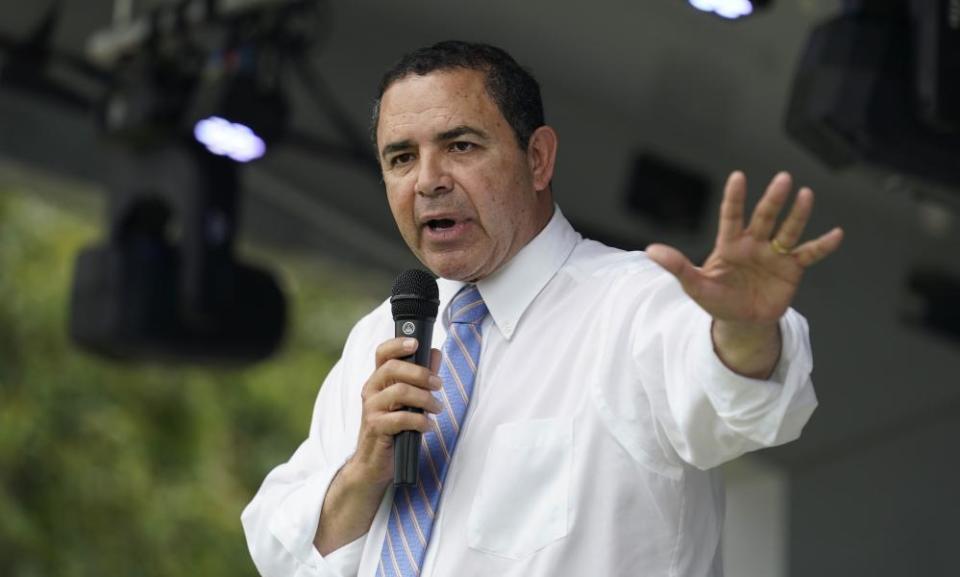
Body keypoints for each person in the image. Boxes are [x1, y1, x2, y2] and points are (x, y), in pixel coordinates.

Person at [241, 40, 844, 577]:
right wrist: (363, 473)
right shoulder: (384, 332)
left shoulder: (632, 303)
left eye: (460, 145)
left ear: (538, 159)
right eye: (400, 158)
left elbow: (740, 406)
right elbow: (282, 551)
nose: (427, 180)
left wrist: (743, 328)